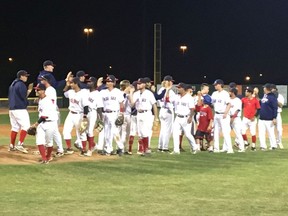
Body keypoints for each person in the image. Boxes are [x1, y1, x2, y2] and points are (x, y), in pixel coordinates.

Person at [129, 78, 159, 156]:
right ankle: (143, 149)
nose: (138, 85)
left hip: (147, 113)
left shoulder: (149, 93)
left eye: (140, 83)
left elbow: (154, 105)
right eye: (138, 84)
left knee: (145, 132)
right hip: (139, 113)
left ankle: (146, 150)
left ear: (144, 84)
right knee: (140, 133)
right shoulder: (136, 94)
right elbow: (132, 104)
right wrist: (131, 93)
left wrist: (156, 117)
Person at [32, 84, 58, 164]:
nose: (36, 91)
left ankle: (48, 157)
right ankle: (44, 159)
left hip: (50, 123)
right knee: (39, 141)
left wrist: (35, 124)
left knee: (49, 142)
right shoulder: (41, 99)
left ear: (43, 91)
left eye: (38, 89)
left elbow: (44, 116)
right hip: (42, 123)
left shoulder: (47, 101)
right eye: (36, 89)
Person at [62, 77, 89, 155]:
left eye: (72, 83)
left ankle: (84, 149)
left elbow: (86, 106)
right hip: (70, 114)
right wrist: (67, 85)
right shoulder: (70, 92)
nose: (70, 85)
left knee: (81, 132)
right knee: (66, 131)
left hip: (79, 115)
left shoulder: (83, 93)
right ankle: (69, 148)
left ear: (76, 83)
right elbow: (64, 93)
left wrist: (84, 117)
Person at [8, 70, 33, 153]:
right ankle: (20, 144)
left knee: (15, 127)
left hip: (12, 109)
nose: (26, 77)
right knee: (26, 126)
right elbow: (23, 97)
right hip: (20, 109)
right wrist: (29, 90)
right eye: (25, 76)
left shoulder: (12, 84)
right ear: (21, 76)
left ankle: (12, 145)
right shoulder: (21, 84)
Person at [39, 74, 64, 157]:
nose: (41, 80)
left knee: (55, 132)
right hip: (51, 113)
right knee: (55, 132)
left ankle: (60, 150)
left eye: (43, 79)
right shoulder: (48, 89)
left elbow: (50, 103)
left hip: (52, 113)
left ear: (47, 80)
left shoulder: (50, 90)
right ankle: (59, 149)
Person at [170, 83, 198, 154]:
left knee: (188, 134)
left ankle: (195, 147)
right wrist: (167, 89)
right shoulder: (176, 96)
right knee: (175, 133)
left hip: (186, 117)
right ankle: (176, 150)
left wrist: (190, 117)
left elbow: (192, 109)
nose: (178, 89)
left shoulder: (189, 98)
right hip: (178, 117)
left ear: (183, 89)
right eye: (178, 87)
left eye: (179, 88)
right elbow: (167, 99)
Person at [100, 75, 125, 156]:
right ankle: (108, 148)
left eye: (110, 81)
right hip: (105, 114)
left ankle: (120, 147)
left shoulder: (118, 92)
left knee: (115, 132)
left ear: (114, 83)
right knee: (107, 132)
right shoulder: (102, 92)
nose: (108, 83)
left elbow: (121, 104)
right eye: (107, 81)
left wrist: (121, 114)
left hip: (115, 113)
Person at [81, 77, 103, 156]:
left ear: (94, 83)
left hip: (93, 113)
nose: (88, 83)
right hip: (85, 113)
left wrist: (100, 119)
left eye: (90, 82)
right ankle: (93, 145)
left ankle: (90, 150)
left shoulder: (97, 94)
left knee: (90, 131)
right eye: (88, 82)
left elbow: (99, 108)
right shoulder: (85, 91)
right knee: (85, 131)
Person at [211, 79, 233, 153]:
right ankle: (216, 148)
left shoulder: (225, 94)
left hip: (223, 115)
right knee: (215, 132)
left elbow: (229, 104)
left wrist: (226, 113)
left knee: (225, 132)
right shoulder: (214, 93)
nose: (215, 86)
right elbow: (212, 103)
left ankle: (230, 149)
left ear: (220, 85)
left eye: (216, 84)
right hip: (216, 114)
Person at [157, 75, 175, 152]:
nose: (172, 83)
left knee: (162, 130)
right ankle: (165, 147)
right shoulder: (170, 91)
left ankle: (160, 146)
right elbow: (168, 100)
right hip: (168, 111)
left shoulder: (160, 89)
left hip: (161, 110)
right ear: (168, 82)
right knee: (167, 130)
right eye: (171, 81)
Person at [258, 83, 278, 150]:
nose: (263, 89)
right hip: (261, 118)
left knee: (271, 133)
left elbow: (275, 108)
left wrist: (274, 117)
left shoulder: (272, 97)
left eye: (264, 87)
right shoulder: (264, 96)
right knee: (261, 133)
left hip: (269, 119)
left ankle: (273, 145)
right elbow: (260, 104)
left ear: (267, 89)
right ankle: (263, 146)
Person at [241, 86, 260, 151]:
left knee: (253, 133)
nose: (245, 92)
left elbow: (259, 109)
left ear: (250, 93)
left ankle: (253, 146)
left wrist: (255, 116)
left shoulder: (255, 100)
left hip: (252, 119)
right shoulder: (243, 99)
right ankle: (246, 143)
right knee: (242, 131)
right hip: (245, 118)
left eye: (246, 91)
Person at [229, 88, 245, 152]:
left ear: (233, 92)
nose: (229, 93)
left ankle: (242, 148)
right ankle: (226, 147)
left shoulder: (237, 100)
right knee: (226, 133)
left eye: (230, 92)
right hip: (228, 118)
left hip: (236, 118)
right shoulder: (228, 99)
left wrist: (233, 118)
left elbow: (238, 110)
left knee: (238, 133)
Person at [271, 84, 284, 149]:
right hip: (270, 114)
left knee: (279, 129)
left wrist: (275, 99)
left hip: (278, 114)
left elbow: (281, 105)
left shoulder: (280, 96)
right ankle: (273, 144)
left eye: (272, 89)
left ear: (275, 89)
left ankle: (279, 142)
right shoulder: (269, 96)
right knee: (271, 130)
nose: (271, 90)